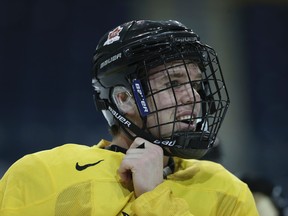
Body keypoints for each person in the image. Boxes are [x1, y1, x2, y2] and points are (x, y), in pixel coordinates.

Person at [0, 20, 258, 215]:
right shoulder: (40, 175)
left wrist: (154, 195)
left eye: (196, 84)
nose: (193, 96)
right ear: (123, 99)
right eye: (173, 83)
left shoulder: (227, 191)